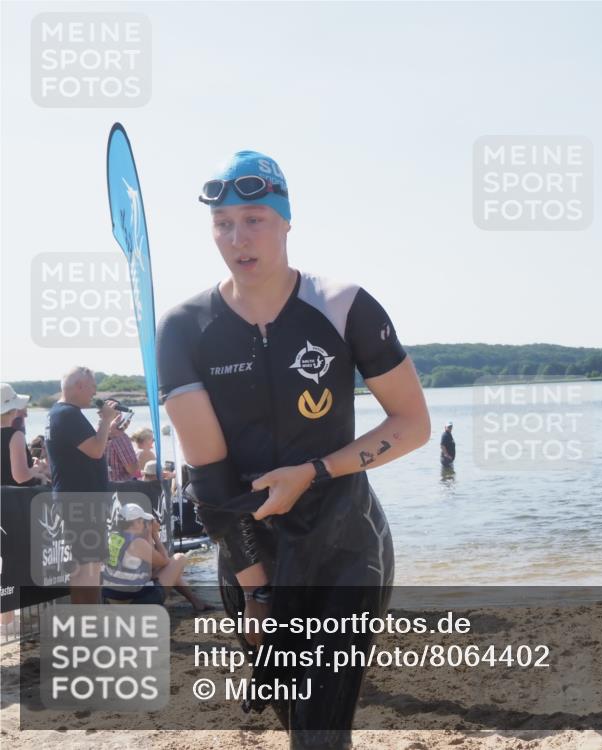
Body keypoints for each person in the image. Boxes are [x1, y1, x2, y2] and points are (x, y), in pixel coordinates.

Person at [157, 150, 430, 747]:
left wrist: (316, 470)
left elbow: (412, 424)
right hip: (249, 549)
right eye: (223, 224)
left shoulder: (344, 305)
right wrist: (256, 589)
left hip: (346, 544)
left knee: (319, 731)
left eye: (254, 219)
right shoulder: (184, 327)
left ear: (286, 221)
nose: (238, 238)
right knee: (298, 725)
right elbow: (210, 476)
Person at [45, 367, 118, 604]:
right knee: (88, 567)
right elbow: (96, 451)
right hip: (81, 501)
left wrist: (107, 430)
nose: (95, 392)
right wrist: (105, 420)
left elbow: (87, 448)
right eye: (93, 386)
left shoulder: (59, 412)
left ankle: (87, 618)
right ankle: (90, 620)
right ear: (79, 386)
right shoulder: (68, 414)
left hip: (76, 499)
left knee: (86, 565)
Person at [102, 503, 186, 605]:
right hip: (131, 601)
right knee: (179, 559)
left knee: (162, 570)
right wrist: (154, 534)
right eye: (143, 521)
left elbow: (151, 566)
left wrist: (148, 535)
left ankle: (196, 601)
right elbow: (165, 561)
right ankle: (196, 602)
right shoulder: (137, 543)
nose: (144, 524)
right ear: (136, 523)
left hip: (111, 597)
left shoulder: (113, 537)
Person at [1, 384, 47, 486]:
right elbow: (20, 477)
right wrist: (37, 467)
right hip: (14, 494)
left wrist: (28, 462)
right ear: (13, 410)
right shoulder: (16, 435)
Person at [106, 414, 140, 482]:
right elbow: (133, 469)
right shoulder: (120, 438)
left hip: (104, 484)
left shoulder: (98, 436)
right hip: (122, 485)